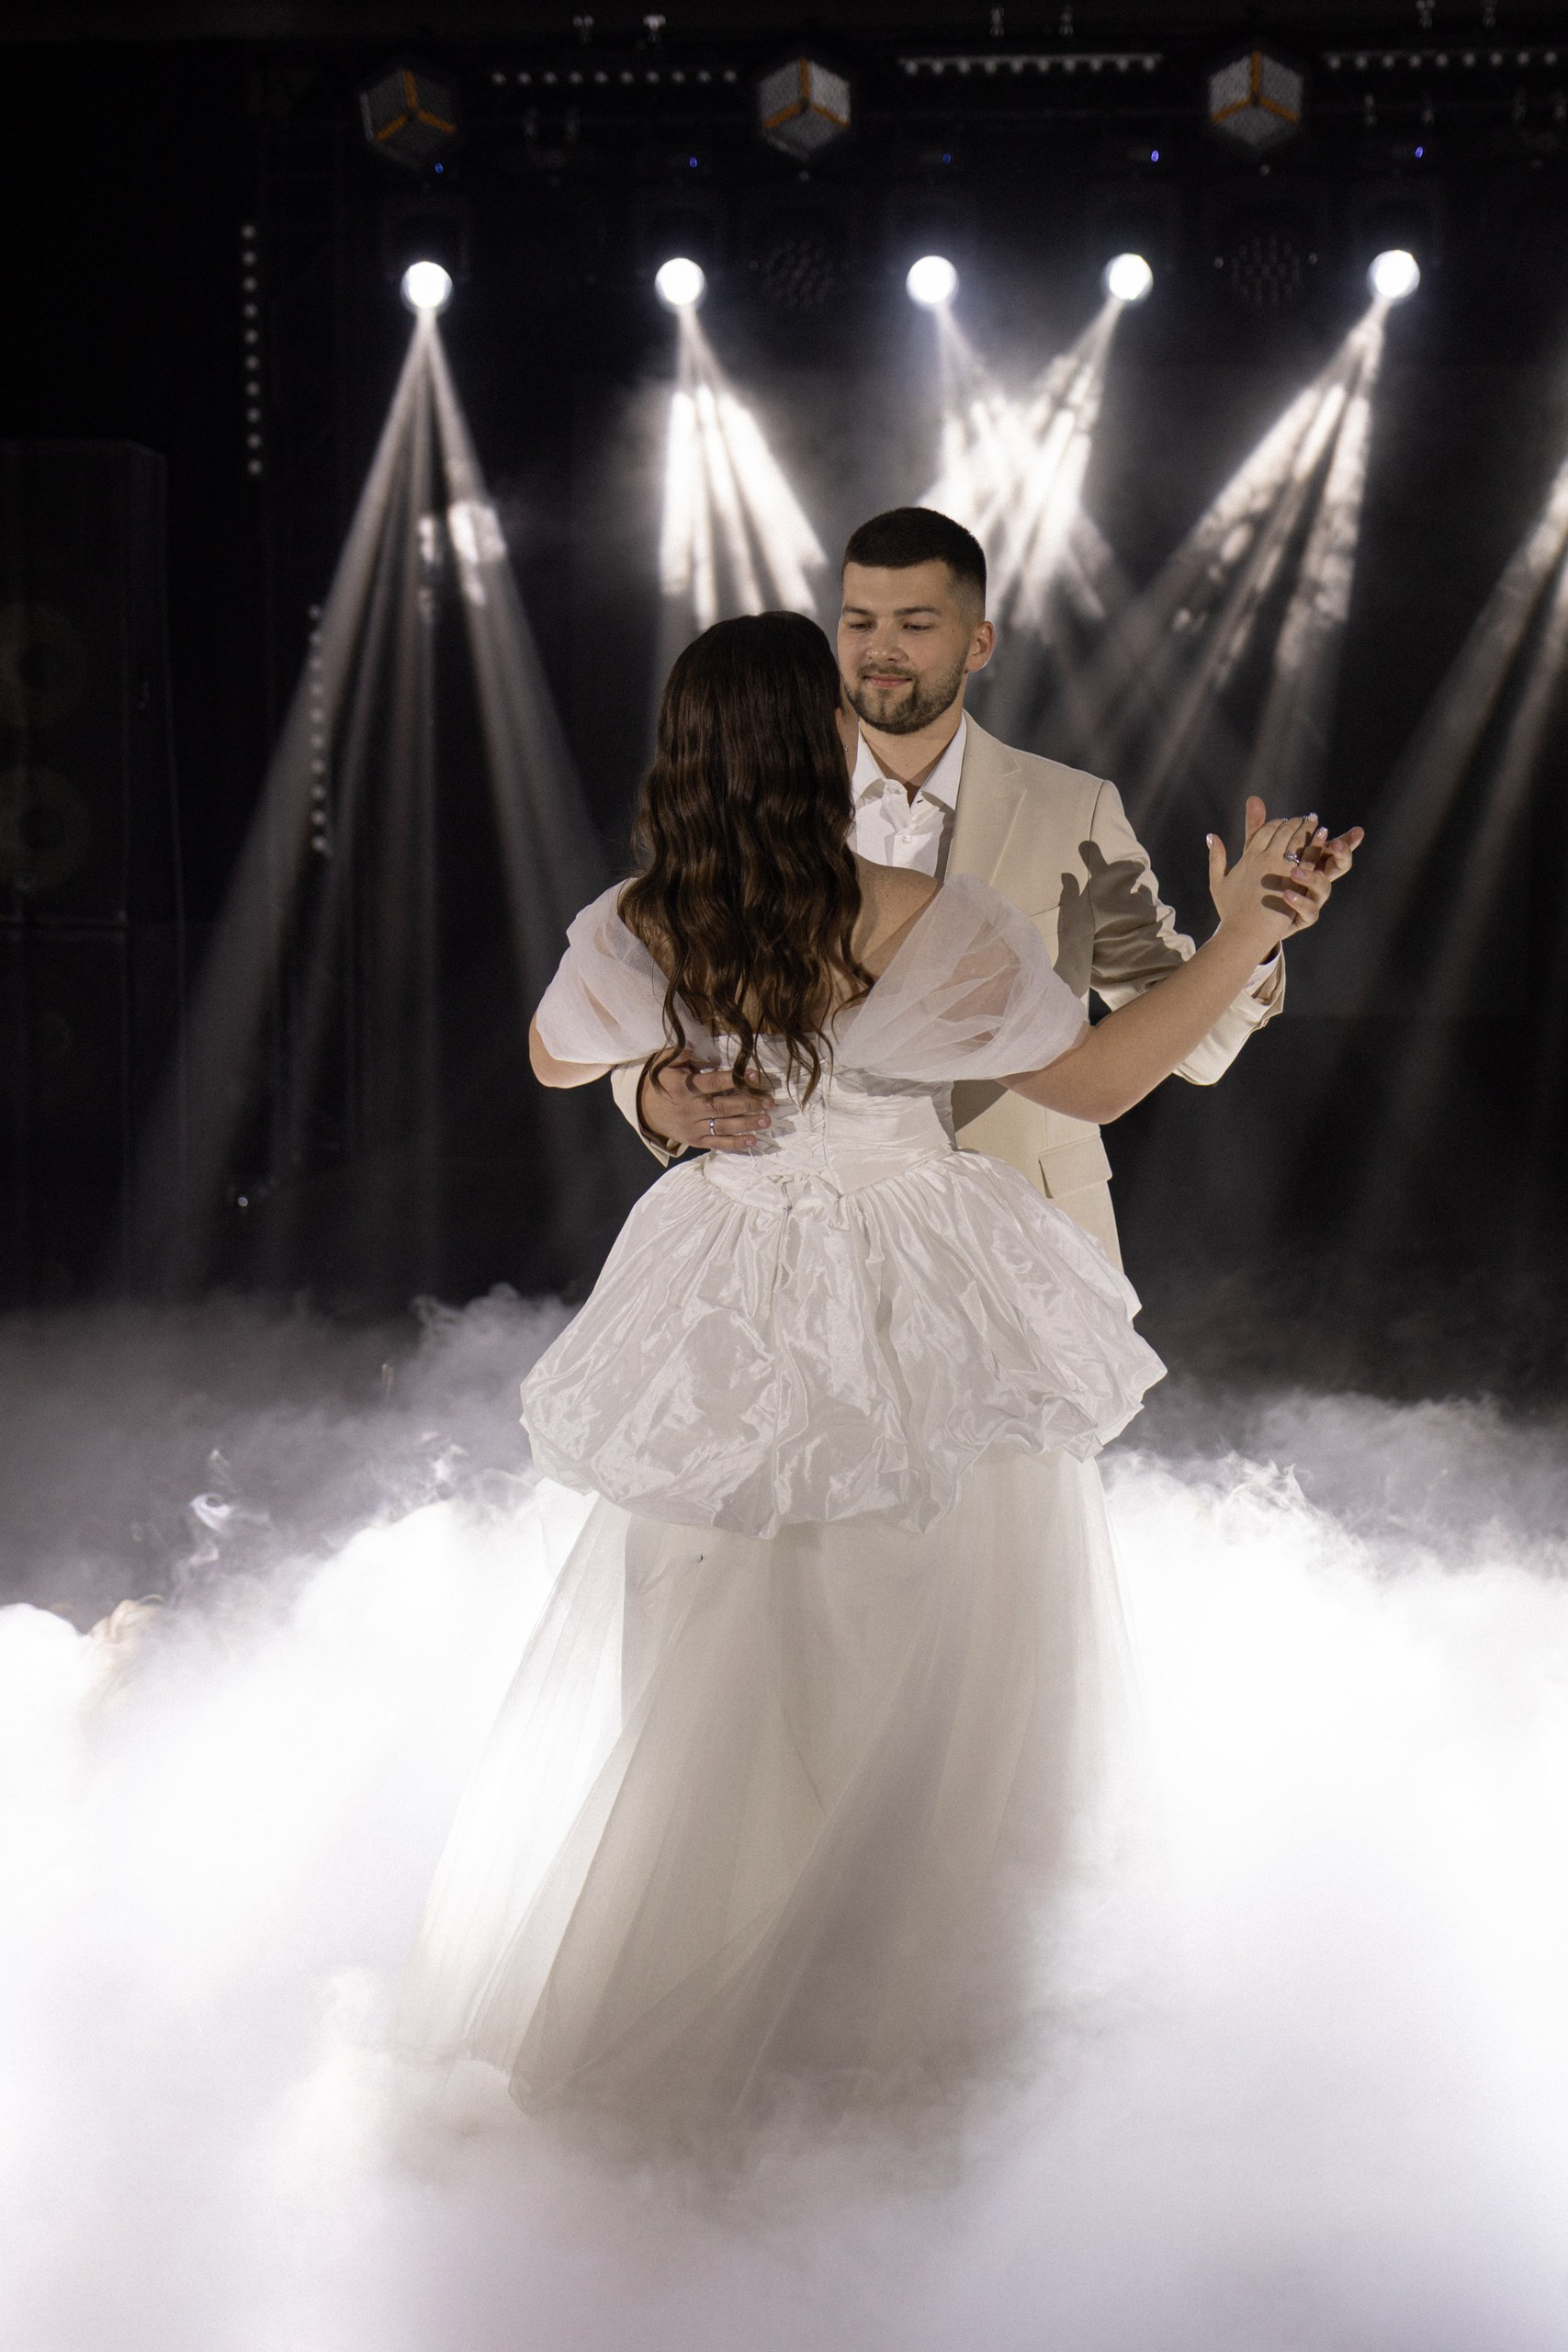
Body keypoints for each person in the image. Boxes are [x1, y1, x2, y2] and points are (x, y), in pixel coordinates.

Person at [395, 612, 1346, 2139]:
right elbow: (1101, 1080)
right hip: (910, 1280)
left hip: (724, 1288)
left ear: (682, 756)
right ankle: (900, 2032)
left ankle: (727, 2008)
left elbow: (550, 1052)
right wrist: (1240, 935)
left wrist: (657, 1076)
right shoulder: (914, 912)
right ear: (824, 742)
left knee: (722, 1646)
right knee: (936, 1653)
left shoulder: (643, 918)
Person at [612, 507, 1363, 1266]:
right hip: (806, 1250)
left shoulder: (1072, 809)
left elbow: (1191, 1047)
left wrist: (1252, 936)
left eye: (914, 624)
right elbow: (645, 993)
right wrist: (648, 1093)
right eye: (858, 622)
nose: (879, 649)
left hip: (1026, 1247)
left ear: (978, 643)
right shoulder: (757, 806)